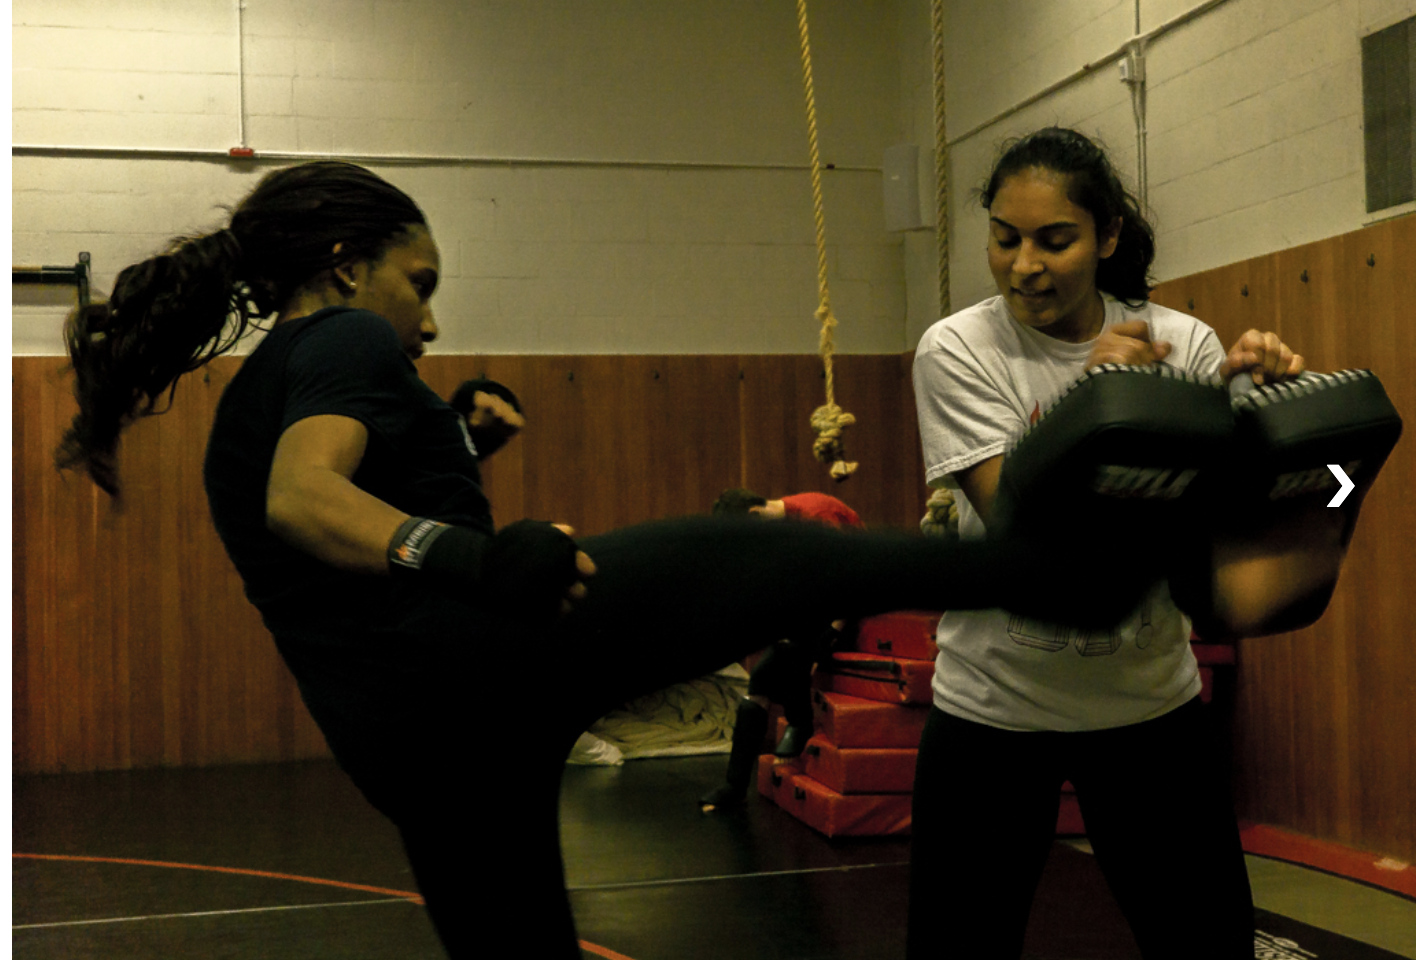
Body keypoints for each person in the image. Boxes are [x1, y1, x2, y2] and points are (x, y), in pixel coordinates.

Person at [56, 159, 1166, 959]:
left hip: (410, 748)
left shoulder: (263, 385)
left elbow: (329, 518)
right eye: (420, 283)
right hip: (474, 675)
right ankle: (1055, 573)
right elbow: (306, 502)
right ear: (347, 269)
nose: (429, 324)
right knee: (776, 549)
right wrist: (473, 559)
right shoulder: (340, 335)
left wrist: (460, 442)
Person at [907, 127, 1307, 959]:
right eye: (1006, 239)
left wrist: (1253, 407)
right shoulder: (957, 348)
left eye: (1055, 240)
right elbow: (1016, 516)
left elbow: (1203, 519)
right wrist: (1098, 397)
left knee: (1207, 944)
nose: (1025, 265)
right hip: (992, 709)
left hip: (1147, 706)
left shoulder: (1181, 341)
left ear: (1108, 236)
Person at [700, 489, 862, 812]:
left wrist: (832, 632)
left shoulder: (816, 517)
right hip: (817, 606)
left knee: (787, 651)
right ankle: (734, 785)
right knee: (760, 678)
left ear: (755, 516)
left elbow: (851, 577)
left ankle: (799, 721)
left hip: (851, 603)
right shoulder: (782, 525)